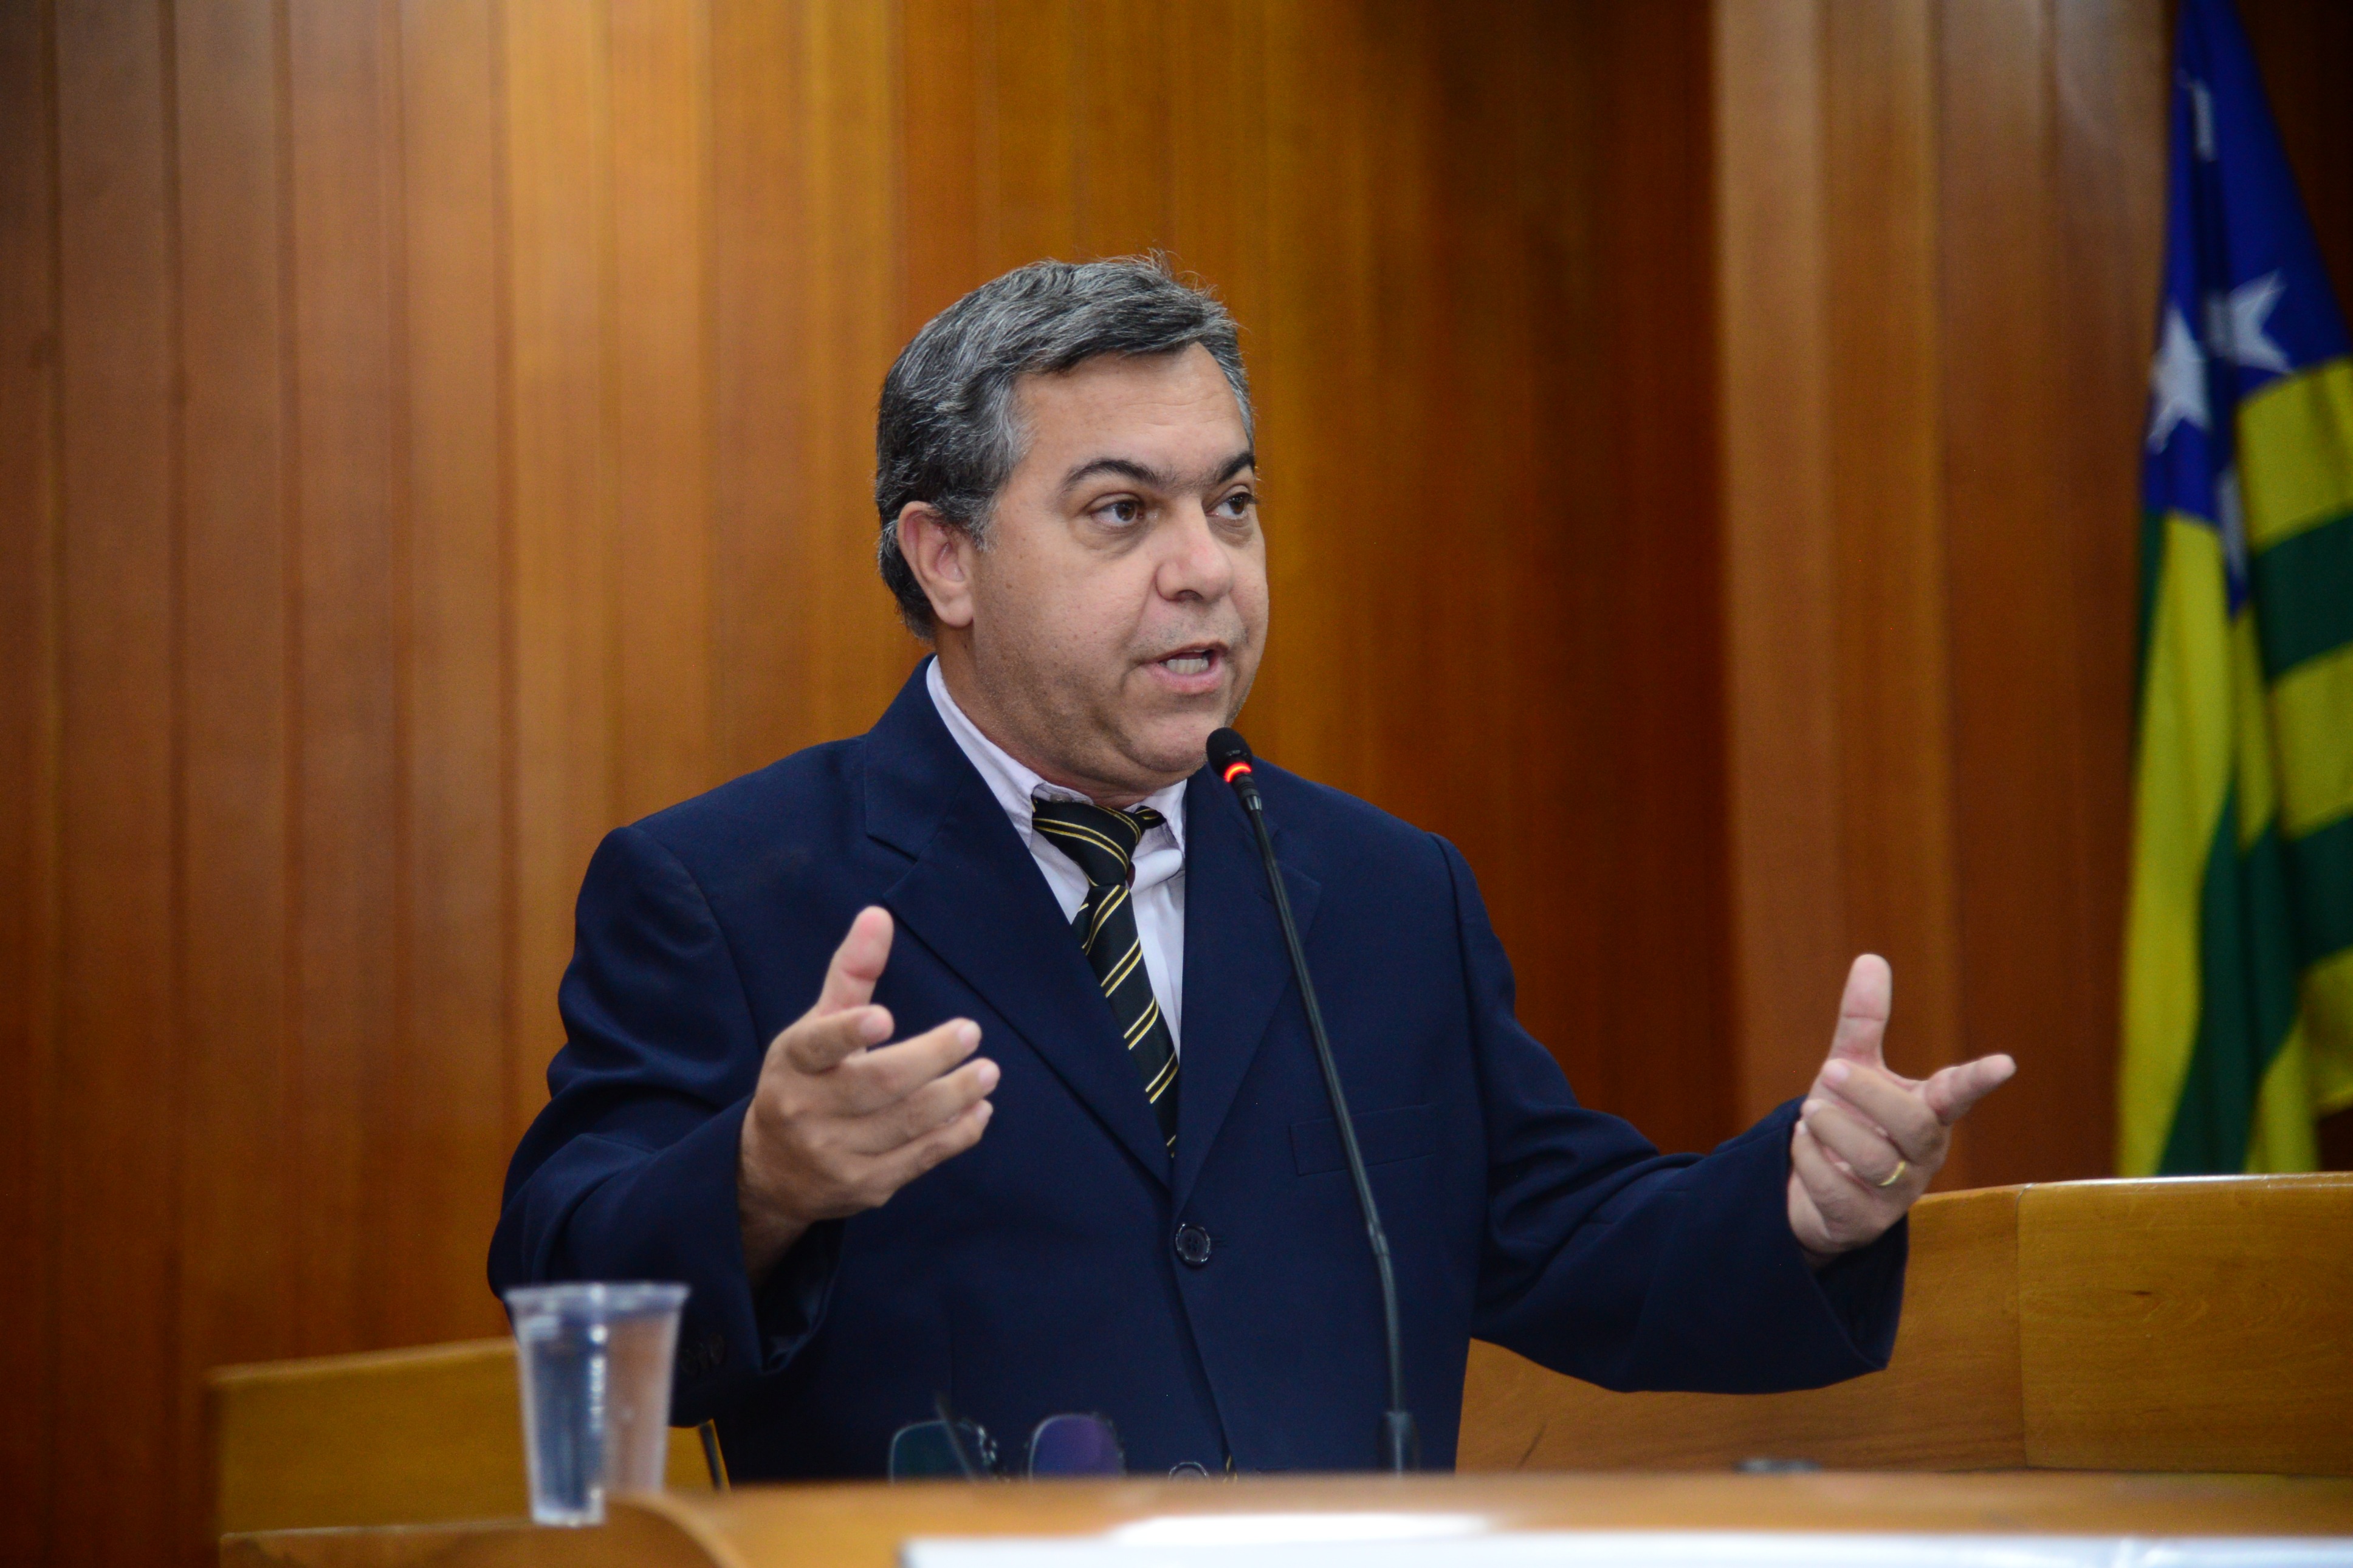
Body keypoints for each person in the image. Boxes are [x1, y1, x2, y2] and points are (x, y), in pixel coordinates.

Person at [488, 256, 2016, 1479]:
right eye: (1121, 513)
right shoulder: (728, 889)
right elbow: (561, 1282)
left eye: (1230, 503)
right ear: (945, 558)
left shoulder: (1384, 890)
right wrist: (757, 1180)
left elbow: (1566, 1236)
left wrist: (1803, 1203)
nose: (1206, 567)